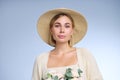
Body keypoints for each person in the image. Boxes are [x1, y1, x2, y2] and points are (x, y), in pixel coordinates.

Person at [32, 8, 103, 80]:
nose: (62, 30)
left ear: (72, 31)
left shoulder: (84, 54)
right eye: (57, 26)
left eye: (67, 26)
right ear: (51, 30)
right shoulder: (41, 59)